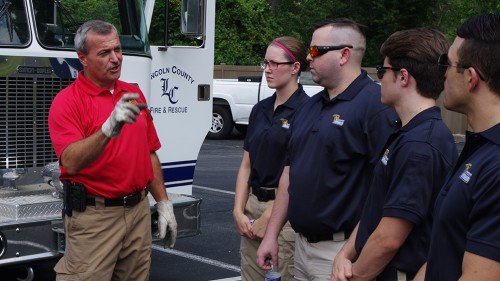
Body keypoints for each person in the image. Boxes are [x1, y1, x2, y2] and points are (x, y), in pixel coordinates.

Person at [257, 18, 399, 280]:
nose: (308, 58)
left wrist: (353, 253)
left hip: (342, 253)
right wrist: (271, 235)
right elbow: (291, 172)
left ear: (344, 54)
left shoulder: (375, 107)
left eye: (315, 51)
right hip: (301, 249)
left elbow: (387, 190)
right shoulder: (310, 106)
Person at [48, 20, 177, 280]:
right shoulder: (67, 102)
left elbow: (148, 152)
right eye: (104, 53)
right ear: (82, 58)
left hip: (138, 212)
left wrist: (163, 203)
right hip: (95, 219)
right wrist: (107, 129)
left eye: (118, 50)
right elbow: (70, 161)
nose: (116, 58)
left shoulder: (133, 93)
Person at [331, 28, 458, 281]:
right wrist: (344, 254)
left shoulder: (420, 146)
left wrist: (354, 276)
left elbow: (388, 239)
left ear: (402, 77)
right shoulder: (410, 133)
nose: (379, 79)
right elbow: (377, 211)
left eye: (382, 71)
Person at [420, 13, 500, 281]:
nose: (442, 73)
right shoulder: (480, 147)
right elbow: (447, 250)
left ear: (471, 78)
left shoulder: (496, 165)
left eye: (447, 63)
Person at [233, 36, 309, 281]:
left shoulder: (308, 111)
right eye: (265, 63)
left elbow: (300, 172)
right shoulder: (260, 109)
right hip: (252, 207)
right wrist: (238, 211)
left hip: (283, 215)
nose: (267, 69)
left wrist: (270, 218)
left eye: (275, 64)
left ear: (295, 67)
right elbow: (246, 164)